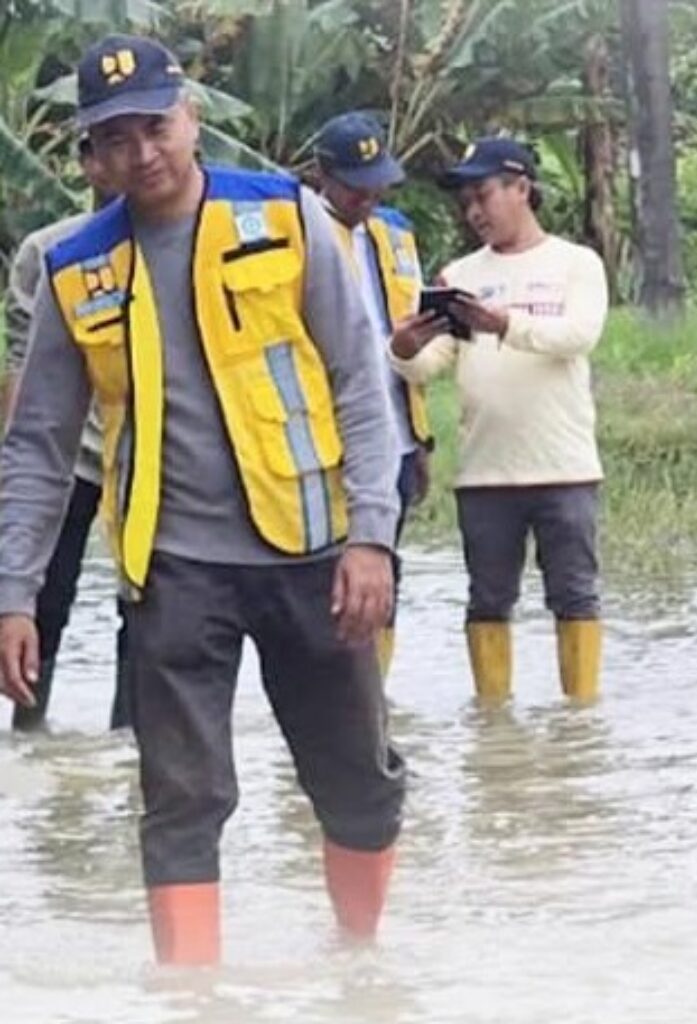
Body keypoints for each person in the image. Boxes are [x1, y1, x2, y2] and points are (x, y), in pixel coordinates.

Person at [0, 34, 404, 966]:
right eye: (114, 138)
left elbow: (361, 385)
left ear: (191, 118)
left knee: (359, 784)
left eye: (155, 125)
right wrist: (14, 595)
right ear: (90, 157)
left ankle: (363, 968)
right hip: (174, 571)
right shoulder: (75, 270)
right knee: (180, 799)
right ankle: (192, 998)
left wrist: (371, 539)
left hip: (313, 551)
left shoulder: (287, 218)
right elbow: (39, 447)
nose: (141, 153)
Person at [389, 138, 608, 703]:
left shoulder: (575, 264)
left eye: (484, 194)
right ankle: (492, 719)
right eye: (467, 201)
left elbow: (578, 335)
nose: (475, 211)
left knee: (575, 596)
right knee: (487, 600)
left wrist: (502, 323)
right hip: (485, 474)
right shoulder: (459, 274)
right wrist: (404, 347)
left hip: (564, 468)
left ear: (521, 189)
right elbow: (429, 366)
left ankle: (580, 718)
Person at [2, 137, 132, 732]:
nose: (131, 161)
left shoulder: (180, 241)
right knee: (45, 599)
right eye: (111, 149)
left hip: (149, 457)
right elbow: (24, 371)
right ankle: (30, 733)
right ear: (89, 164)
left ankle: (131, 744)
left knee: (149, 610)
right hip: (72, 455)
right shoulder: (49, 252)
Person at [314, 111, 432, 680]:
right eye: (355, 186)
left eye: (376, 183)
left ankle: (375, 699)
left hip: (399, 436)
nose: (368, 196)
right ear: (322, 176)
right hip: (333, 444)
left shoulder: (395, 233)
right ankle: (338, 692)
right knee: (332, 581)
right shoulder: (300, 232)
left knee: (385, 574)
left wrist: (422, 438)